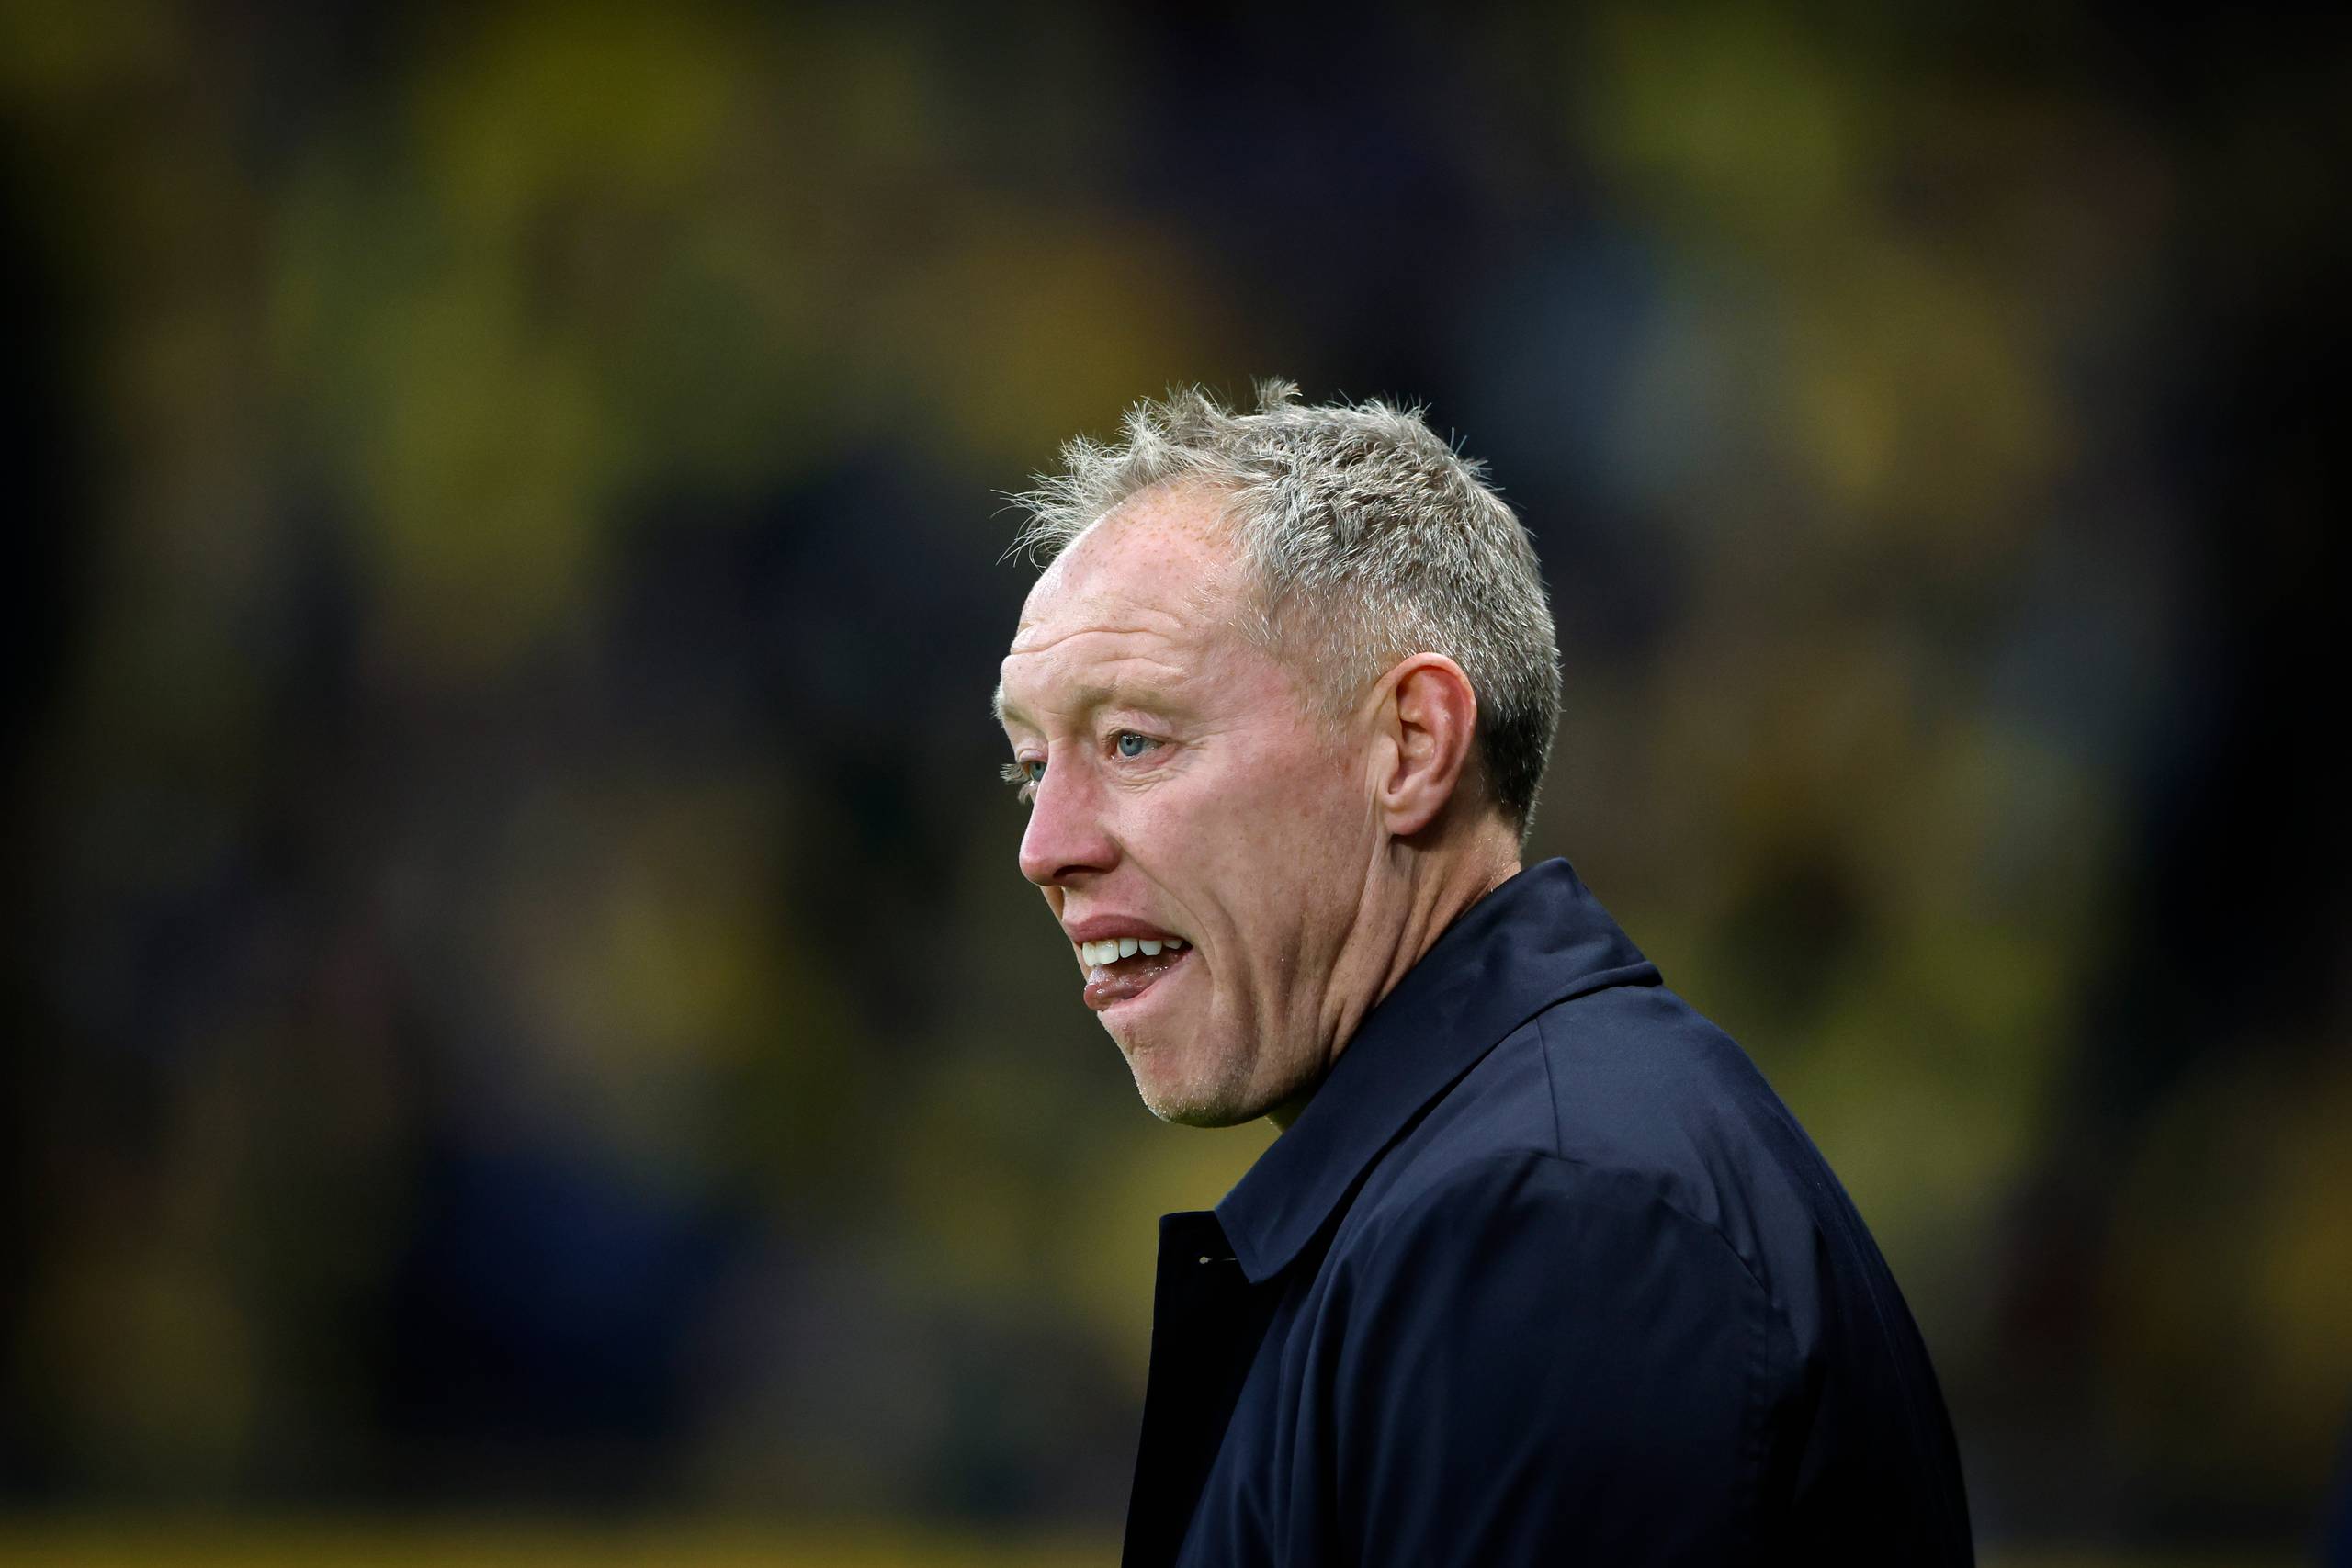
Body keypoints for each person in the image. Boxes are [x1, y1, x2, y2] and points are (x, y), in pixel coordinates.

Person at [991, 382, 1973, 1565]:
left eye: (1133, 741)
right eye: (1030, 767)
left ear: (1411, 746)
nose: (1045, 847)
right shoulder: (1497, 1184)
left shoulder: (1555, 1220)